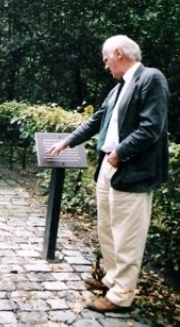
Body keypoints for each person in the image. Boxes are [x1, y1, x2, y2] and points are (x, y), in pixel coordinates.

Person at [47, 35, 169, 313]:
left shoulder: (151, 78)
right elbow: (96, 120)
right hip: (108, 167)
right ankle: (112, 281)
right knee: (107, 231)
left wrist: (119, 154)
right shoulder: (118, 88)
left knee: (127, 235)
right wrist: (67, 142)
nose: (105, 65)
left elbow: (152, 127)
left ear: (117, 53)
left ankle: (121, 297)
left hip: (130, 168)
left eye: (105, 59)